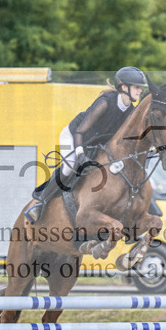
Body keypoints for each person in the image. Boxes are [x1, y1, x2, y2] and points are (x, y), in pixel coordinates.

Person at [25, 66, 148, 222]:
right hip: (74, 135)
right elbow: (80, 132)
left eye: (140, 88)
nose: (139, 91)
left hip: (96, 142)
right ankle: (40, 203)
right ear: (124, 87)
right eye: (136, 87)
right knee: (70, 165)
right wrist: (80, 154)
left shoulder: (130, 111)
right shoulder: (105, 103)